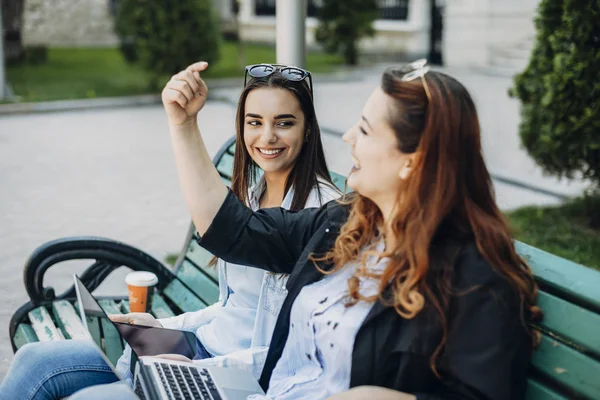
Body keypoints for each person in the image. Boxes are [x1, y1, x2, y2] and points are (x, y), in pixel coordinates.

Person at [55, 58, 541, 400]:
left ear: (412, 163)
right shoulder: (344, 224)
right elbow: (232, 231)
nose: (348, 136)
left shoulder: (479, 281)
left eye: (366, 130)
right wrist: (183, 126)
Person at [0, 64, 340, 400]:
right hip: (194, 349)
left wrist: (195, 368)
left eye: (284, 123)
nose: (267, 137)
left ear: (308, 128)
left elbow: (301, 353)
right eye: (255, 122)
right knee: (35, 361)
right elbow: (232, 308)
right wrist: (163, 329)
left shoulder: (324, 218)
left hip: (238, 377)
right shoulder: (250, 194)